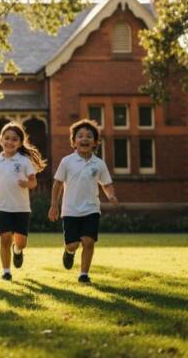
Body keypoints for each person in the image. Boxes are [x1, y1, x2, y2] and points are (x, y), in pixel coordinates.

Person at [49, 119, 119, 284]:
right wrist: (54, 205)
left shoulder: (99, 164)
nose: (84, 138)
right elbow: (58, 183)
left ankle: (83, 274)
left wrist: (111, 195)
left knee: (88, 242)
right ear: (74, 142)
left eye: (89, 136)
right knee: (73, 244)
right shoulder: (67, 161)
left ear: (95, 142)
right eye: (80, 136)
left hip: (91, 209)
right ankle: (69, 252)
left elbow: (106, 184)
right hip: (70, 210)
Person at [0, 122, 46, 281]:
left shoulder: (24, 161)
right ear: (0, 139)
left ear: (19, 143)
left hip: (21, 207)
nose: (10, 142)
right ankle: (6, 271)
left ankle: (18, 251)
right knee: (5, 238)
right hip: (2, 206)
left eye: (14, 139)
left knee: (21, 242)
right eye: (7, 138)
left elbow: (33, 182)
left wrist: (27, 184)